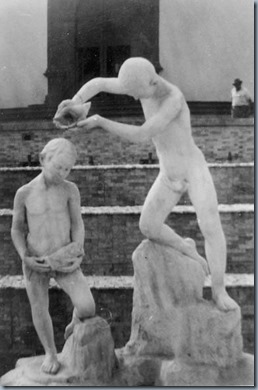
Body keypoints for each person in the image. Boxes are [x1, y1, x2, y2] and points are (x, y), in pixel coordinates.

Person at [54, 57, 238, 312]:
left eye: (135, 94)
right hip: (168, 172)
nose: (132, 98)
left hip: (193, 169)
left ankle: (219, 290)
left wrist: (99, 122)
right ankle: (184, 246)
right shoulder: (138, 80)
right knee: (148, 225)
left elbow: (143, 134)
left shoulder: (173, 98)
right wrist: (75, 101)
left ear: (152, 82)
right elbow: (98, 83)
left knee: (210, 225)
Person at [11, 138, 96, 375]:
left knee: (87, 307)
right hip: (36, 259)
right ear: (43, 159)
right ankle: (50, 352)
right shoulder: (24, 193)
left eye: (68, 169)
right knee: (39, 307)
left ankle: (73, 321)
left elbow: (78, 224)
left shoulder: (70, 190)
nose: (63, 173)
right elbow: (16, 229)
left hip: (64, 257)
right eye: (58, 167)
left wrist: (78, 248)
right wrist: (24, 256)